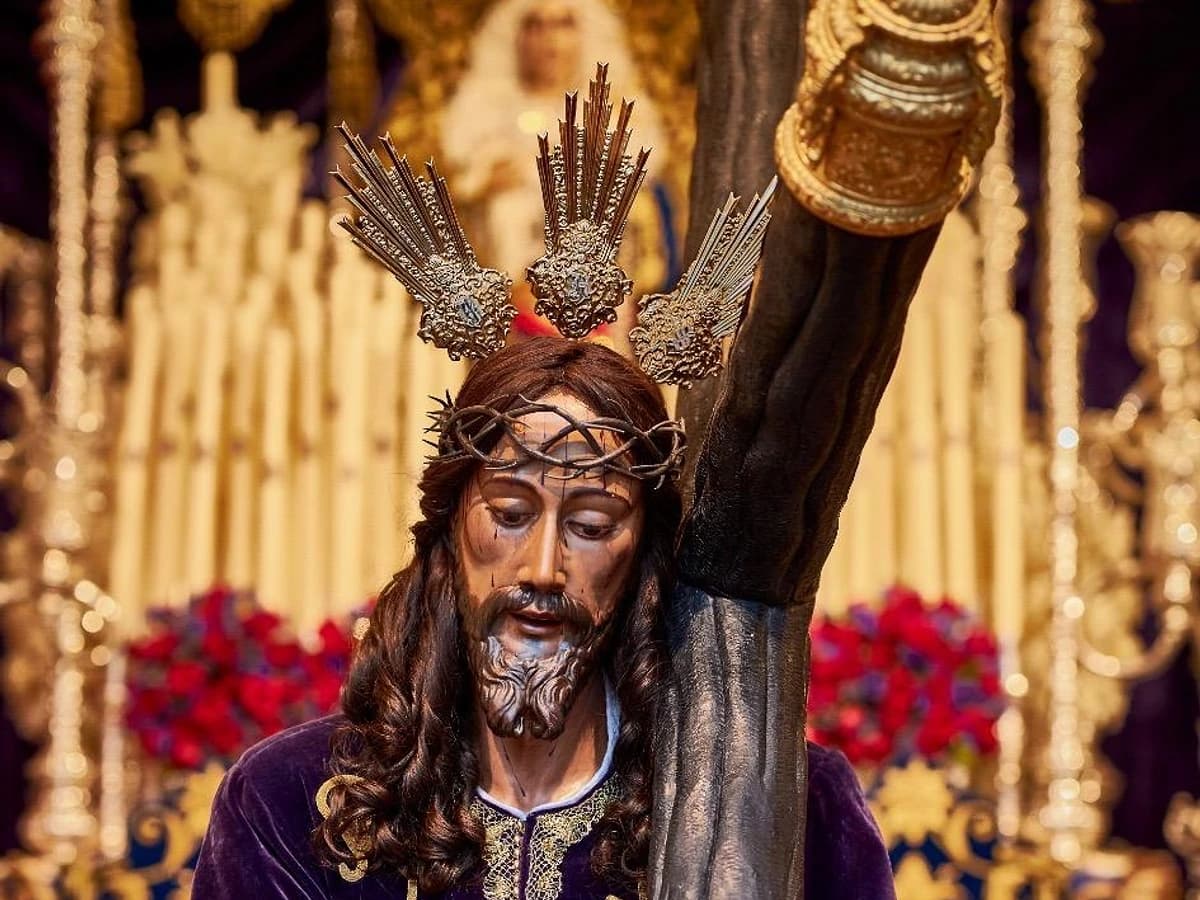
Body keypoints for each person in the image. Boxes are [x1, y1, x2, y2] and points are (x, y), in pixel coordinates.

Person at [192, 340, 894, 899]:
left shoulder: (787, 806)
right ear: (450, 531)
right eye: (509, 513)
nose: (542, 568)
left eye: (592, 525)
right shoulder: (292, 799)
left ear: (641, 557)